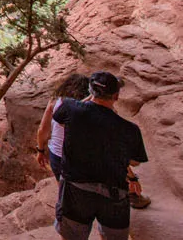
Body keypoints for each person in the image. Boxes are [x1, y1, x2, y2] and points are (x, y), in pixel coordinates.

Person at [53, 71, 148, 240]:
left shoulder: (71, 109)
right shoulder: (129, 129)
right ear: (116, 96)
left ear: (90, 91)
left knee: (72, 236)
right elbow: (134, 161)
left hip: (76, 190)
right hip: (113, 193)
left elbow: (59, 119)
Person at [37, 73, 90, 180]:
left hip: (57, 153)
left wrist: (40, 150)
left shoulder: (55, 101)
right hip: (82, 156)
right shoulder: (89, 106)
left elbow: (43, 130)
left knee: (62, 187)